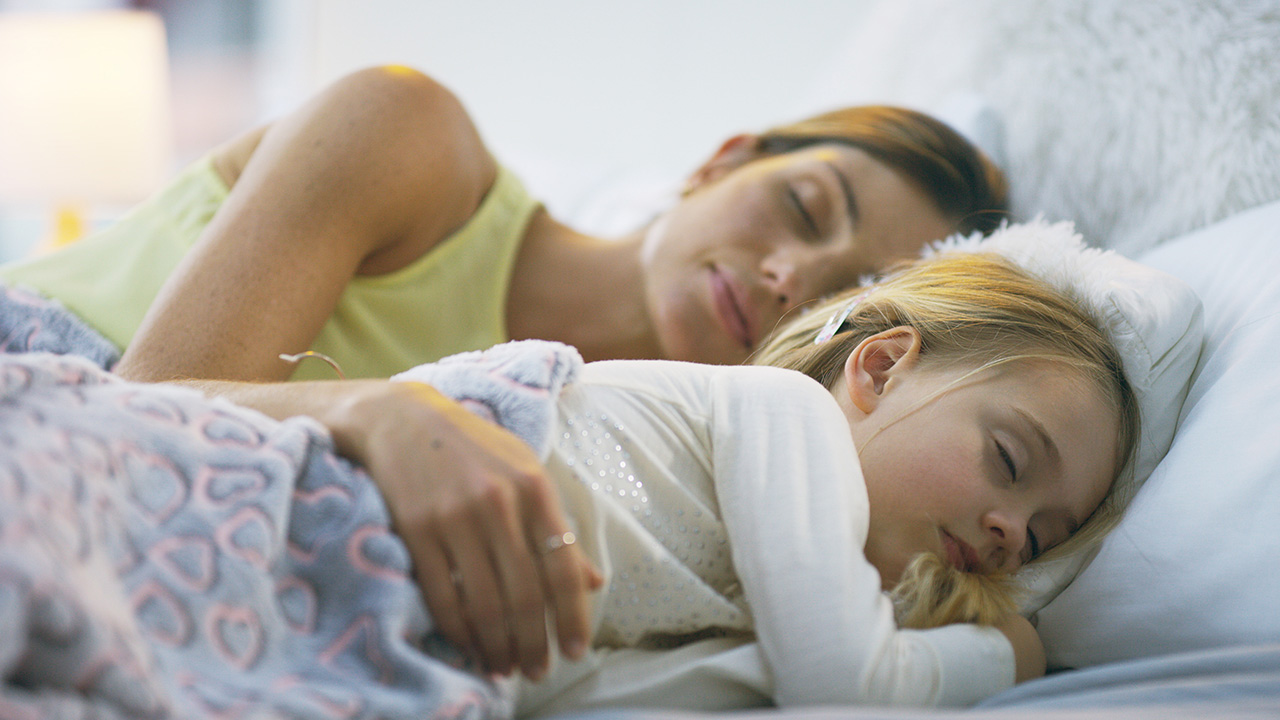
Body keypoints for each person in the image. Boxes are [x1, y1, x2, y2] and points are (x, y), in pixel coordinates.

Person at [0, 65, 1008, 680]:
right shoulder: (408, 134)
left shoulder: (659, 490)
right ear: (722, 159)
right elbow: (133, 421)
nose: (790, 277)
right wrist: (385, 413)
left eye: (843, 294)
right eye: (800, 208)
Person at [0, 250, 1137, 718]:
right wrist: (1013, 653)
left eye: (1042, 537)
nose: (1006, 529)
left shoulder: (761, 578)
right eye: (1007, 461)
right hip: (299, 505)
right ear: (880, 368)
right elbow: (840, 682)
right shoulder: (781, 418)